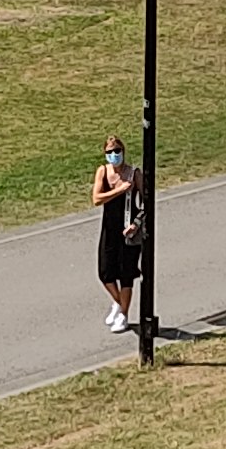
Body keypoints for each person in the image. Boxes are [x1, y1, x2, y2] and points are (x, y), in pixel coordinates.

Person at [91, 136, 142, 333]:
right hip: (110, 228)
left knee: (126, 274)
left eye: (117, 151)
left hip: (129, 229)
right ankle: (119, 302)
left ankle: (124, 315)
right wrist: (119, 190)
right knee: (105, 271)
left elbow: (146, 202)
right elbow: (97, 198)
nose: (114, 155)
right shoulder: (103, 172)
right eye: (110, 152)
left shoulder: (133, 174)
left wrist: (136, 224)